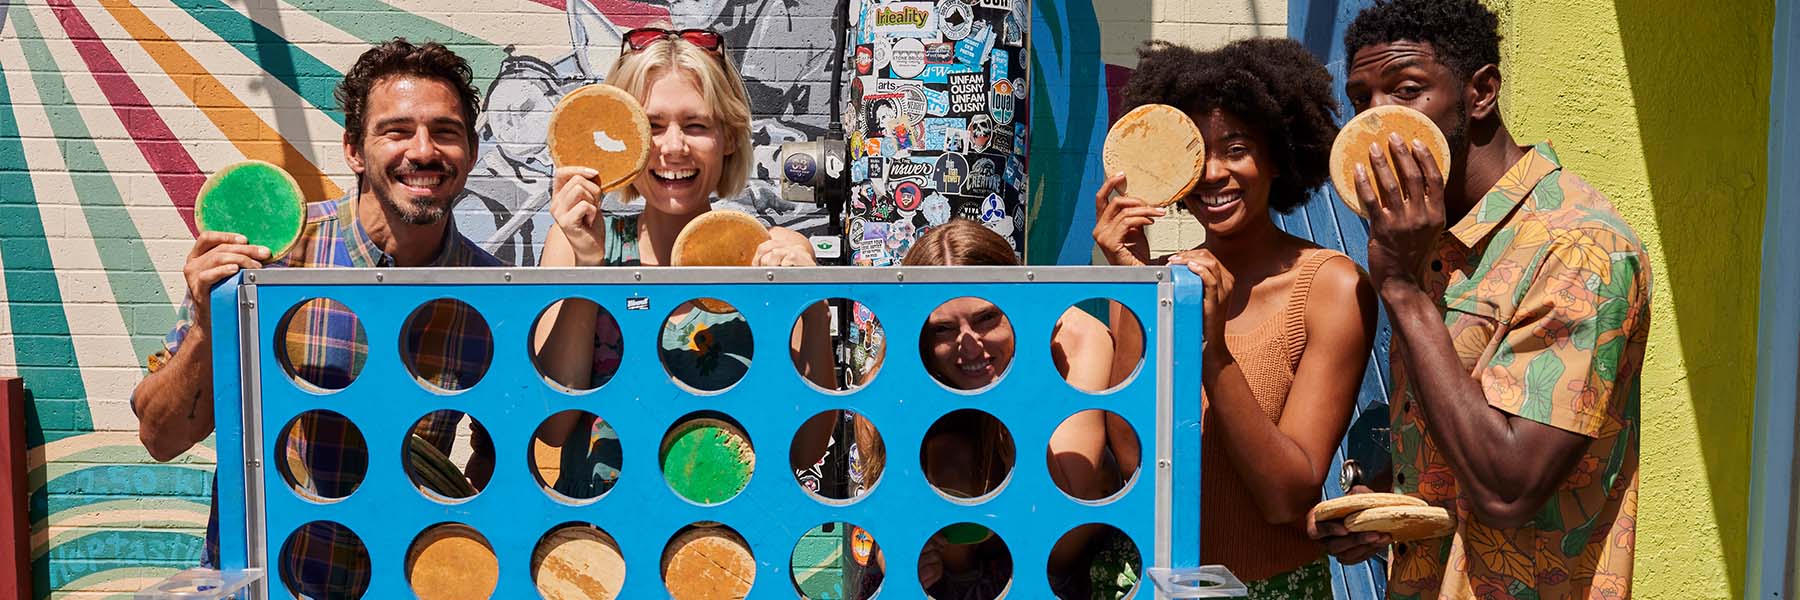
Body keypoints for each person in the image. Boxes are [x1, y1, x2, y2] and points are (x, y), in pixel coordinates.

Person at [131, 39, 502, 597]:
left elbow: (500, 468)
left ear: (471, 153)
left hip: (398, 582)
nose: (423, 151)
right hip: (269, 583)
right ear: (354, 150)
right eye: (397, 131)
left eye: (445, 132)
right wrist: (209, 326)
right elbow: (161, 438)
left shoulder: (492, 296)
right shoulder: (271, 257)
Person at [1307, 1, 1652, 598]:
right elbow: (1460, 421)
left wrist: (1402, 292)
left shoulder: (1579, 248)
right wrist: (1386, 496)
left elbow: (1508, 489)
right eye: (1362, 100)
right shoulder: (1431, 236)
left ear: (1481, 93)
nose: (1377, 120)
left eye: (1406, 91)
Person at [1092, 38, 1380, 598]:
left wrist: (1213, 351)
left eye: (1237, 149)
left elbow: (1286, 496)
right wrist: (1135, 286)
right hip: (1146, 582)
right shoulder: (1158, 282)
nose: (1213, 173)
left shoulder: (1332, 288)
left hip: (1271, 586)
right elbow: (1133, 459)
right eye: (1196, 155)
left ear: (1278, 156)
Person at [904, 219, 1142, 600]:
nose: (970, 347)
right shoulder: (905, 367)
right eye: (944, 329)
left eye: (987, 318)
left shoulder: (1076, 338)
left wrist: (1028, 371)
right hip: (960, 570)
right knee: (951, 453)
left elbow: (1064, 510)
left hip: (1056, 565)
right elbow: (887, 513)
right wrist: (905, 558)